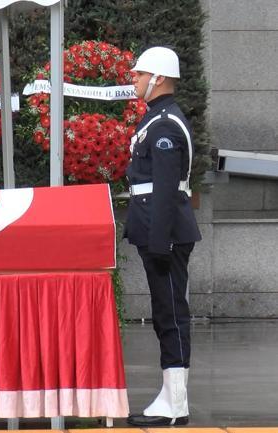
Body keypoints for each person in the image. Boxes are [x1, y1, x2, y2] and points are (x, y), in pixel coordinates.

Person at [124, 47, 202, 427]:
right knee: (163, 315)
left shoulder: (166, 124)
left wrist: (159, 242)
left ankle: (176, 404)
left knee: (171, 316)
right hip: (156, 231)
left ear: (158, 78)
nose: (134, 80)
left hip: (165, 234)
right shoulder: (156, 119)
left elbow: (167, 189)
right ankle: (169, 398)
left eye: (140, 74)